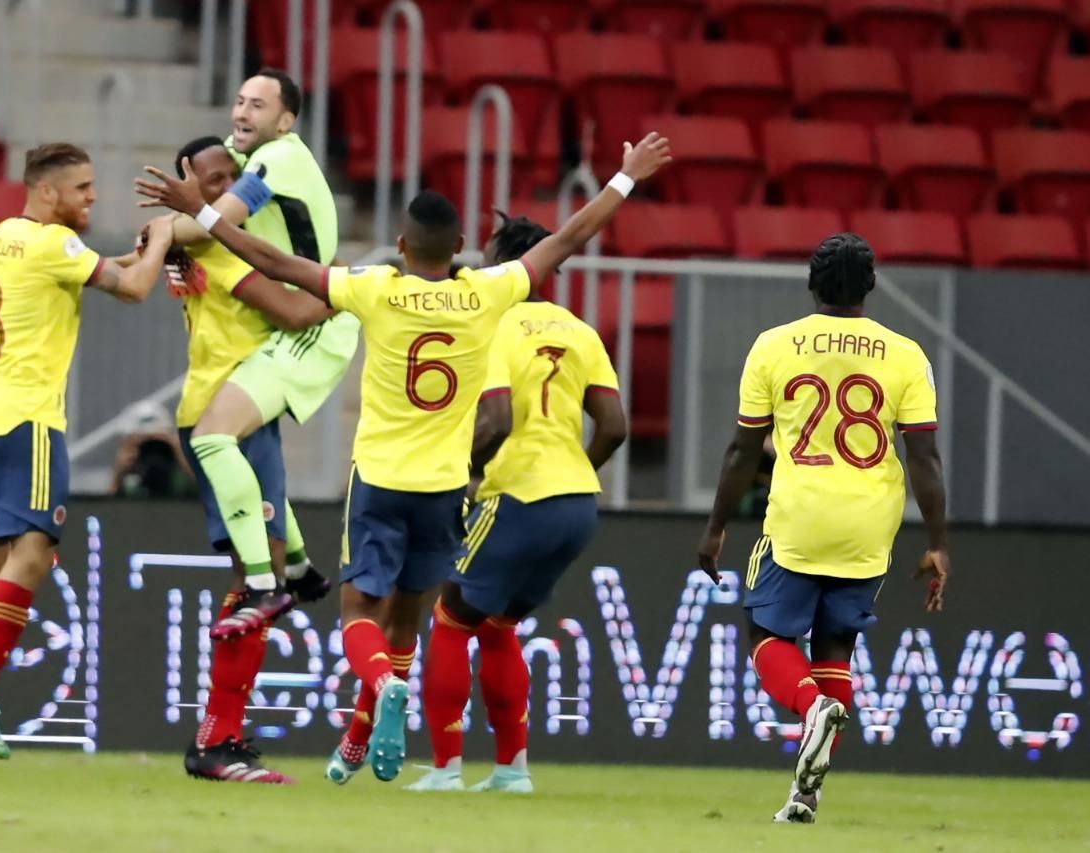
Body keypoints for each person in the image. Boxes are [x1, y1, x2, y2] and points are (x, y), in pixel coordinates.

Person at [135, 131, 673, 783]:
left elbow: (275, 263)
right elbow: (566, 239)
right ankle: (389, 715)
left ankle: (381, 689)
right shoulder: (489, 293)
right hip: (446, 486)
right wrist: (624, 178)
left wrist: (205, 212)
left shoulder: (374, 289)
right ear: (458, 250)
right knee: (411, 619)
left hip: (382, 479)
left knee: (359, 613)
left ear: (400, 246)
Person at [0, 143, 173, 759]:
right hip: (29, 423)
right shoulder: (54, 246)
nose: (91, 198)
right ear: (49, 192)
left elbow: (81, 267)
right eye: (82, 188)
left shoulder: (4, 237)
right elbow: (134, 291)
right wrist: (162, 240)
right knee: (32, 554)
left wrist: (130, 255)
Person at [695, 233, 951, 823]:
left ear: (811, 284)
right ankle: (805, 795)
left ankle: (810, 709)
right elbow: (925, 461)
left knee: (763, 637)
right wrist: (937, 544)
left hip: (798, 517)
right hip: (869, 526)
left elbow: (741, 451)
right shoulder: (906, 355)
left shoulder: (774, 346)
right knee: (836, 645)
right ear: (871, 286)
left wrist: (715, 527)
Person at [408, 213, 627, 794]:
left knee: (450, 620)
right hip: (577, 505)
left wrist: (466, 474)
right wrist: (574, 469)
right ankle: (512, 771)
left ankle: (445, 770)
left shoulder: (495, 326)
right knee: (500, 625)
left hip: (520, 495)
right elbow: (614, 425)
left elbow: (498, 417)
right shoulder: (580, 332)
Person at [168, 135, 336, 783]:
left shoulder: (199, 244)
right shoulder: (219, 246)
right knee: (251, 578)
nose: (224, 191)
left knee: (255, 565)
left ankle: (220, 736)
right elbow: (295, 312)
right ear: (187, 186)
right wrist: (350, 290)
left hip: (218, 407)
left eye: (229, 178)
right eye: (208, 181)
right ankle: (217, 742)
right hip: (230, 417)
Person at [166, 69, 358, 636]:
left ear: (286, 120)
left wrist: (170, 228)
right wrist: (163, 232)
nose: (242, 113)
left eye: (258, 105)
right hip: (275, 337)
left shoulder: (283, 161)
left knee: (212, 439)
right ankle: (294, 570)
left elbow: (215, 217)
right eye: (240, 101)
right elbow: (207, 181)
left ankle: (267, 585)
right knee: (219, 447)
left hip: (306, 327)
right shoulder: (238, 154)